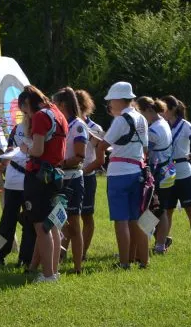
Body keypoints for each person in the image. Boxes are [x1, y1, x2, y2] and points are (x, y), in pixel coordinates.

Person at [94, 82, 149, 269]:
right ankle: (144, 261)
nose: (110, 104)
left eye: (111, 100)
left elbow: (103, 145)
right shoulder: (141, 118)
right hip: (137, 171)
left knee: (121, 220)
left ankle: (124, 263)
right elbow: (145, 148)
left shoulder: (120, 120)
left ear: (119, 99)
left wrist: (99, 159)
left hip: (119, 173)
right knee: (137, 219)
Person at [19, 85, 67, 282]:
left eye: (25, 111)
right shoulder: (58, 113)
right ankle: (52, 272)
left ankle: (48, 274)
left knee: (41, 227)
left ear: (27, 104)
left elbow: (38, 150)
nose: (26, 115)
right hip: (54, 173)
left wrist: (25, 149)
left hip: (39, 175)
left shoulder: (40, 116)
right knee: (52, 225)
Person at [160, 95, 191, 252]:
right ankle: (163, 243)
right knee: (168, 210)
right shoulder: (162, 125)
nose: (160, 112)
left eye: (163, 108)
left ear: (172, 109)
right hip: (168, 172)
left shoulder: (185, 125)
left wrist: (189, 156)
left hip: (184, 173)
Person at [0, 123, 36, 268]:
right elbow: (8, 152)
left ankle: (26, 259)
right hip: (12, 180)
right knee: (6, 220)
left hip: (31, 180)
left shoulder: (41, 125)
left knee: (30, 220)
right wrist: (3, 161)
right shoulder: (17, 128)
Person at [52, 87, 88, 274]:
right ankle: (54, 264)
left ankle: (77, 267)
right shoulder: (62, 123)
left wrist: (61, 162)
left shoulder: (78, 125)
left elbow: (80, 156)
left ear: (63, 105)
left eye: (55, 104)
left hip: (72, 179)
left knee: (74, 224)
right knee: (56, 222)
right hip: (59, 178)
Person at [136, 96, 173, 254]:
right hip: (168, 172)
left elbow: (142, 150)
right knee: (161, 209)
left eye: (141, 113)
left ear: (148, 111)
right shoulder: (163, 122)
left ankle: (145, 246)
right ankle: (160, 244)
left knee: (152, 209)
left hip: (158, 174)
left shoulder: (153, 130)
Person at [76, 89, 104, 260]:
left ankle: (82, 253)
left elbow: (100, 159)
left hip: (86, 177)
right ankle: (62, 252)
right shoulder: (66, 124)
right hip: (69, 177)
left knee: (86, 215)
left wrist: (81, 171)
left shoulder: (95, 128)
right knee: (65, 217)